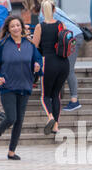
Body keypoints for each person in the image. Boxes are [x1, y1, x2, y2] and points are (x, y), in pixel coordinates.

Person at [0, 15, 43, 160]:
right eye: (12, 26)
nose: (15, 28)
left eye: (18, 25)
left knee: (19, 120)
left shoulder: (29, 45)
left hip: (25, 85)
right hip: (8, 86)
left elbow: (37, 60)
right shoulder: (3, 45)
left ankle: (11, 152)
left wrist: (37, 67)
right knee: (11, 117)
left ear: (22, 27)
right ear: (8, 28)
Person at [37, 1, 84, 112]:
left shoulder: (43, 13)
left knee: (69, 69)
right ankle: (57, 96)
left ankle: (74, 100)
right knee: (62, 67)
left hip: (71, 38)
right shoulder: (55, 8)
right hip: (69, 37)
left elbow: (44, 33)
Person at [32, 0, 70, 135]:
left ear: (42, 11)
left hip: (48, 63)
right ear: (54, 10)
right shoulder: (62, 24)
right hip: (64, 64)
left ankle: (50, 117)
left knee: (45, 96)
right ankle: (56, 126)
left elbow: (34, 47)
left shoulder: (39, 27)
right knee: (56, 95)